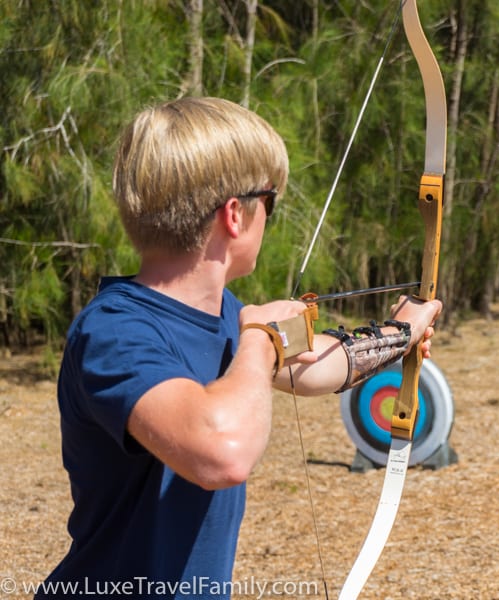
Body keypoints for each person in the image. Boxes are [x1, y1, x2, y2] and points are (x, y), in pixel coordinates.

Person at [36, 97, 442, 598]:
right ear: (235, 214)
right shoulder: (115, 331)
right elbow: (222, 455)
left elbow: (307, 366)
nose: (270, 217)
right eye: (270, 201)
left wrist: (399, 333)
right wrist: (259, 338)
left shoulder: (226, 312)